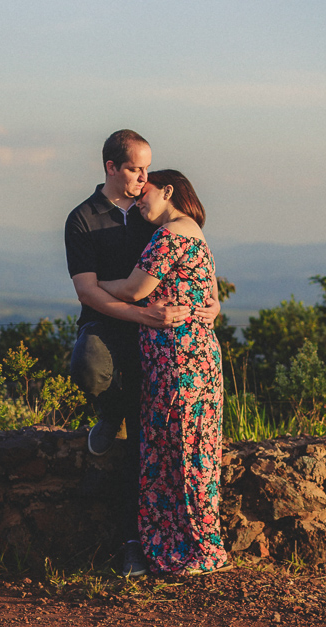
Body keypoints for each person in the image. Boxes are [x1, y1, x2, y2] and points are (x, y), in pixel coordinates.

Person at [65, 130, 218, 577]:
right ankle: (108, 412)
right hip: (113, 325)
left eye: (147, 169)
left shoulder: (154, 215)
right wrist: (141, 315)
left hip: (159, 340)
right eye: (135, 169)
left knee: (146, 446)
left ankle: (137, 543)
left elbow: (193, 265)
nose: (143, 178)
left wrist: (214, 304)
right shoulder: (83, 218)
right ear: (111, 168)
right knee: (89, 366)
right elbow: (88, 293)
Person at [98, 169, 230, 575]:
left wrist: (95, 284)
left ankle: (193, 549)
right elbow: (211, 297)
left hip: (178, 358)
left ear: (168, 190)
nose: (140, 199)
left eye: (146, 191)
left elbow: (134, 290)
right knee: (191, 448)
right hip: (193, 356)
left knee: (180, 449)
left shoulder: (170, 234)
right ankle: (190, 545)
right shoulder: (195, 233)